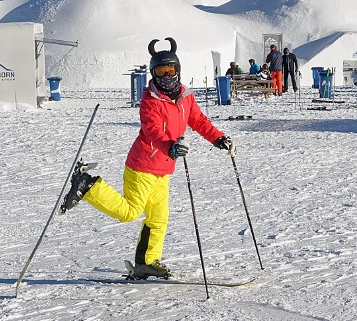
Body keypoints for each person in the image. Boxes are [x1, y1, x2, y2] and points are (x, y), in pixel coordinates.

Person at [60, 38, 234, 279]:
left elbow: (199, 121)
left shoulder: (185, 97)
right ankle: (88, 186)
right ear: (153, 73)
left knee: (159, 218)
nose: (166, 76)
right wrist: (170, 146)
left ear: (178, 70)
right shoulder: (150, 100)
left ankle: (146, 263)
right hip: (142, 166)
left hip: (163, 170)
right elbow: (153, 131)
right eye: (160, 71)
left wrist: (218, 138)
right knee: (130, 212)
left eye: (170, 70)